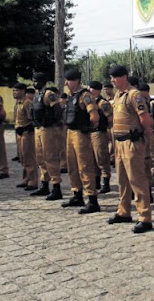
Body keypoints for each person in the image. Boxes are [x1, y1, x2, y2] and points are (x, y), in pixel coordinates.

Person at [107, 65, 154, 232]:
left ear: (124, 77)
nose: (112, 80)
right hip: (119, 143)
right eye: (111, 77)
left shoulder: (134, 95)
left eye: (115, 77)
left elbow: (145, 118)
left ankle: (145, 217)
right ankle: (124, 211)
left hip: (132, 142)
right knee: (122, 180)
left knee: (137, 180)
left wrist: (145, 130)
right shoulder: (119, 95)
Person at [61, 69, 101, 214]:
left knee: (85, 166)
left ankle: (92, 199)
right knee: (72, 165)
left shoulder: (85, 95)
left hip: (80, 134)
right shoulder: (71, 96)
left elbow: (94, 116)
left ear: (76, 80)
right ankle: (77, 194)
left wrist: (88, 128)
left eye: (69, 80)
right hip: (70, 133)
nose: (66, 83)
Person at [30, 73, 63, 200]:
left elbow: (58, 110)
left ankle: (56, 187)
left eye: (37, 81)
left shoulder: (48, 94)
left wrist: (52, 121)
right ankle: (44, 184)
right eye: (34, 81)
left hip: (48, 129)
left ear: (43, 82)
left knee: (50, 157)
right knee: (40, 158)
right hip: (38, 128)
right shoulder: (37, 95)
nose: (35, 83)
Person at [88, 80, 113, 193]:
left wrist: (104, 128)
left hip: (99, 132)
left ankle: (106, 183)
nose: (89, 90)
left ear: (97, 90)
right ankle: (96, 182)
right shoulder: (90, 102)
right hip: (90, 132)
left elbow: (110, 119)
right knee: (92, 159)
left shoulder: (103, 103)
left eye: (91, 88)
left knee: (101, 158)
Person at [13, 83, 39, 191]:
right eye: (13, 91)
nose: (14, 93)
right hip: (20, 133)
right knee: (23, 157)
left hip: (27, 133)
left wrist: (25, 128)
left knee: (29, 156)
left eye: (17, 90)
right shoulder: (18, 103)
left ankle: (33, 180)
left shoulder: (27, 103)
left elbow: (32, 119)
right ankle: (26, 178)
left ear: (23, 91)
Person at [139, 83, 154, 196]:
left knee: (153, 154)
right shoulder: (140, 102)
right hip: (142, 133)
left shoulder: (153, 104)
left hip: (151, 132)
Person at [57, 92, 69, 174]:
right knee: (60, 146)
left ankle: (64, 164)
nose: (61, 100)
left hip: (66, 127)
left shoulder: (68, 107)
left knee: (65, 146)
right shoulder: (58, 107)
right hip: (59, 127)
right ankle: (62, 163)